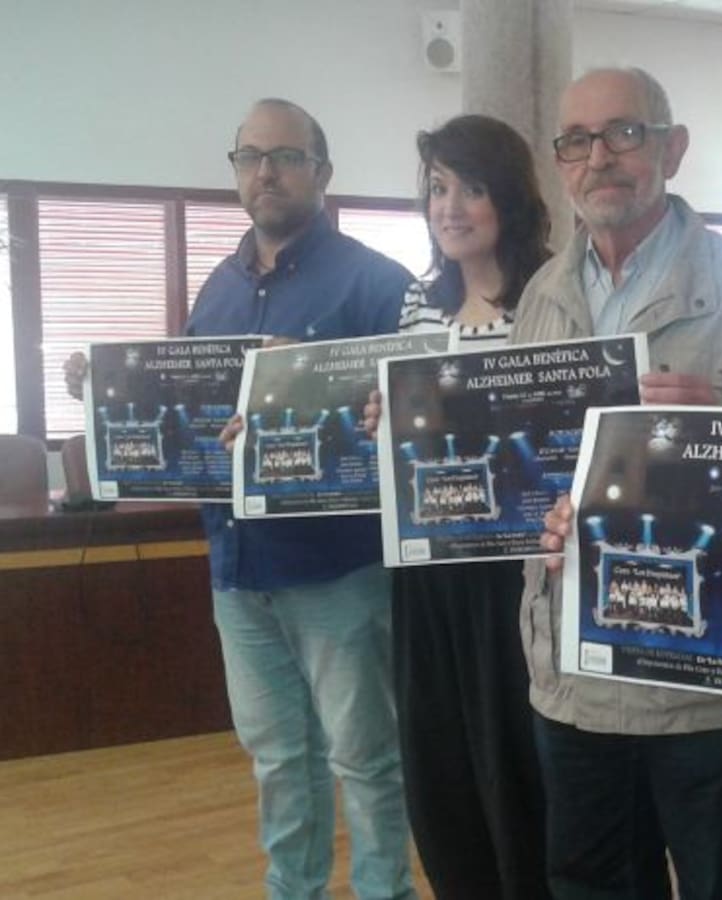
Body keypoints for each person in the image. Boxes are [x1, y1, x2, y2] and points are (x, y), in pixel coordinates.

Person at [67, 98, 416, 900]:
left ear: (322, 173)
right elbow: (194, 414)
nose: (266, 172)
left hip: (338, 570)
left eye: (286, 156)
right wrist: (105, 390)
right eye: (250, 156)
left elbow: (412, 420)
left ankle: (384, 891)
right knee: (277, 758)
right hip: (236, 567)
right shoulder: (218, 290)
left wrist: (314, 379)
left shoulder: (377, 283)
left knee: (365, 757)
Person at [517, 68, 722, 900]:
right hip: (572, 670)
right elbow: (520, 461)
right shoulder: (543, 292)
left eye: (625, 133)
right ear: (560, 163)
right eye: (577, 141)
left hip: (704, 676)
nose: (599, 157)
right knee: (590, 881)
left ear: (672, 150)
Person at [364, 113, 554, 900]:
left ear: (507, 196)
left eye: (470, 188)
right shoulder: (419, 300)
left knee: (514, 749)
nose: (449, 207)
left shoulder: (549, 294)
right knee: (439, 748)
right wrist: (382, 416)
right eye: (438, 188)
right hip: (427, 560)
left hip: (515, 567)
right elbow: (405, 422)